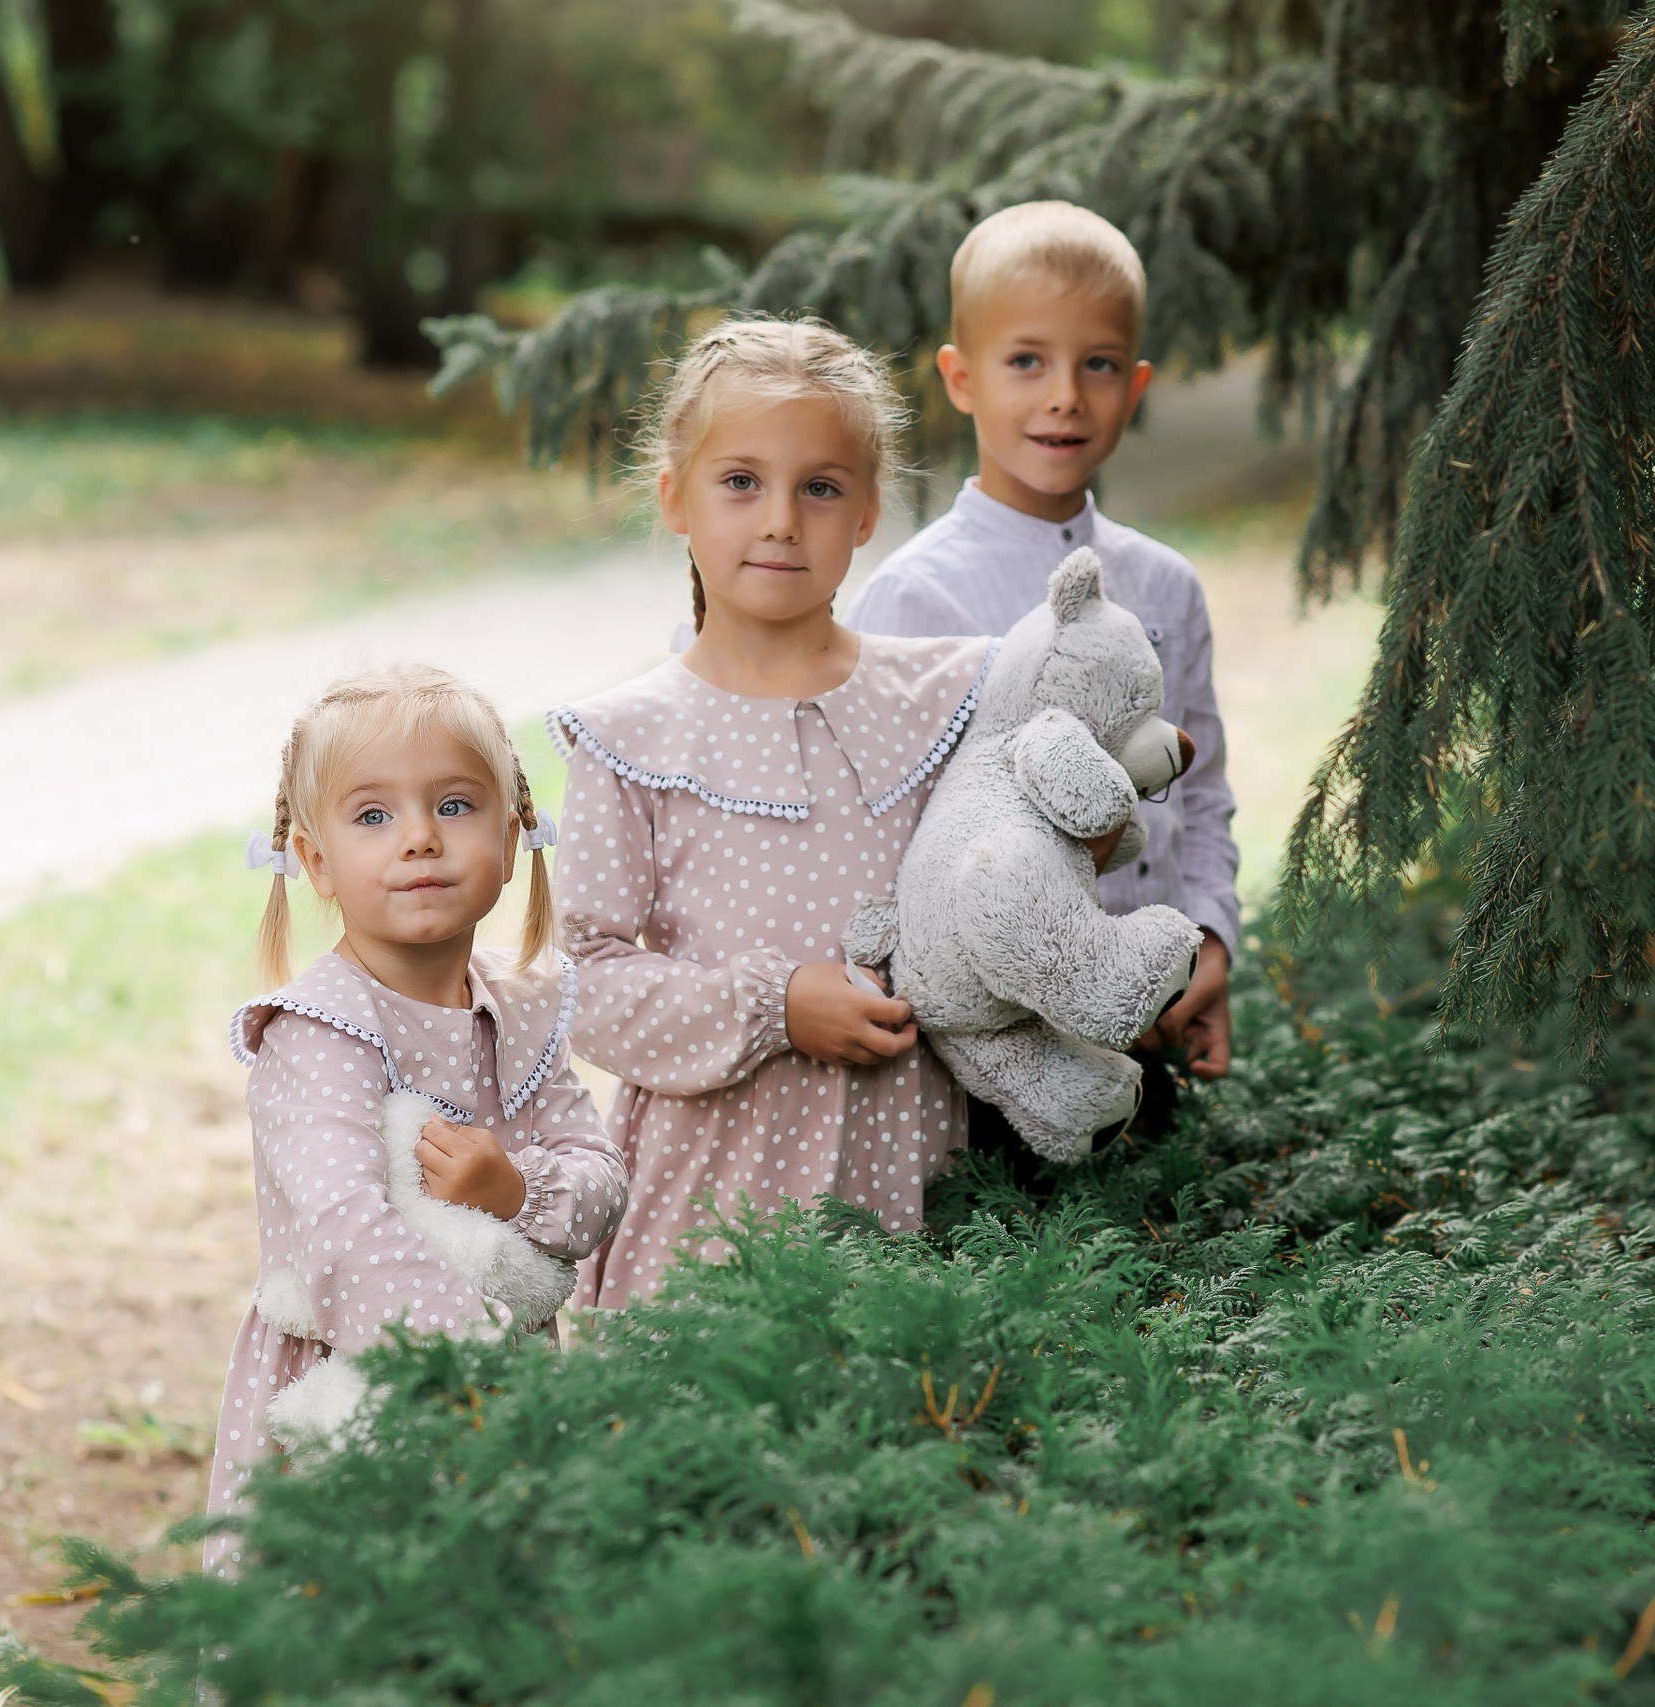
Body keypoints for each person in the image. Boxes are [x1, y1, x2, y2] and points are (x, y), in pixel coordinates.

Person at [550, 317, 994, 1307]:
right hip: (705, 1212)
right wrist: (774, 1007)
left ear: (870, 509)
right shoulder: (632, 738)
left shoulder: (945, 698)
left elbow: (1021, 861)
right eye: (740, 482)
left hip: (907, 1198)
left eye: (820, 487)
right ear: (675, 498)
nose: (782, 519)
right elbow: (586, 985)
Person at [206, 665, 627, 1561]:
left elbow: (600, 1188)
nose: (419, 840)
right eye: (372, 816)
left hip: (506, 1396)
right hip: (362, 1395)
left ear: (512, 840)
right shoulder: (317, 1035)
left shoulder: (520, 1014)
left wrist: (518, 1189)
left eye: (454, 806)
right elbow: (342, 1232)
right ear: (315, 860)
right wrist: (454, 1379)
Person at [847, 201, 1239, 1152]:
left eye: (1098, 363)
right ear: (961, 377)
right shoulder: (915, 599)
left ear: (1135, 384)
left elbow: (1208, 792)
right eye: (1026, 360)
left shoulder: (1165, 586)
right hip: (986, 1064)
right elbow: (884, 842)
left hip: (1152, 1034)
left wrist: (1212, 945)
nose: (1065, 394)